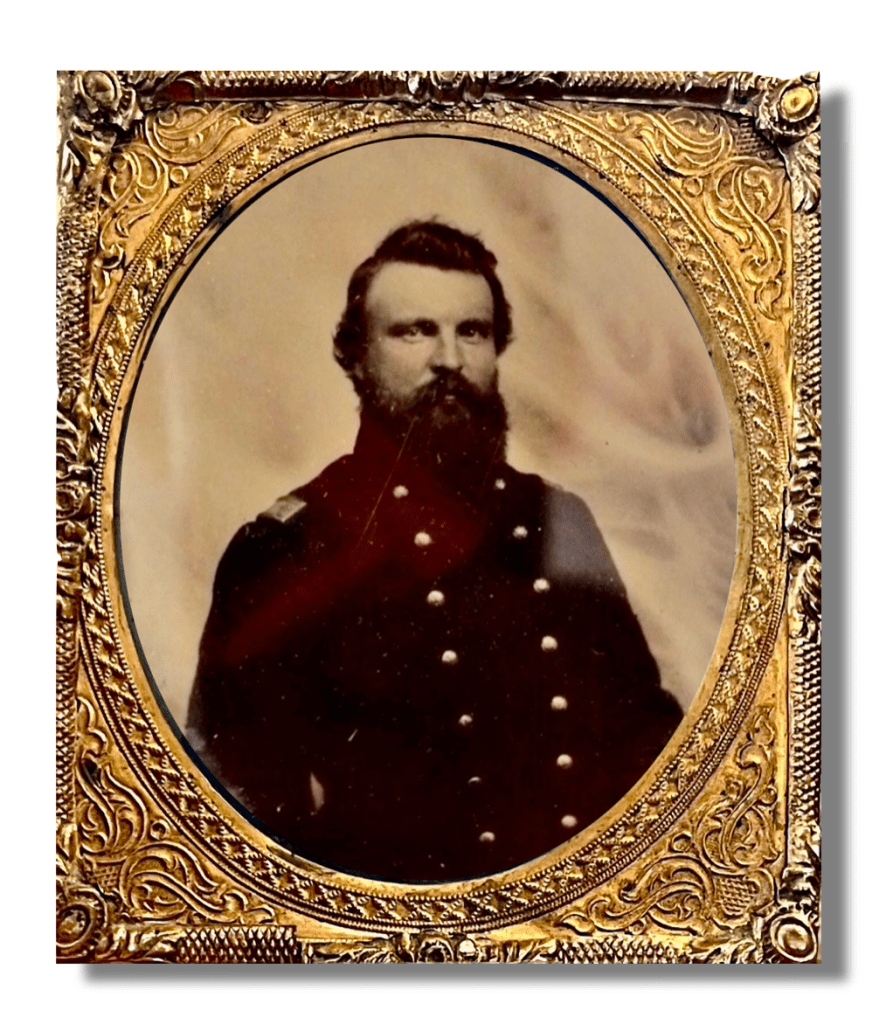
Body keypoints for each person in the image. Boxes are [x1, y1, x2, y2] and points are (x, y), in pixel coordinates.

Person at [187, 220, 682, 883]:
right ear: (355, 356)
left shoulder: (559, 519)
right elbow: (237, 804)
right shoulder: (287, 546)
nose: (448, 359)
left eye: (471, 332)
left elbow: (645, 737)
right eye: (414, 331)